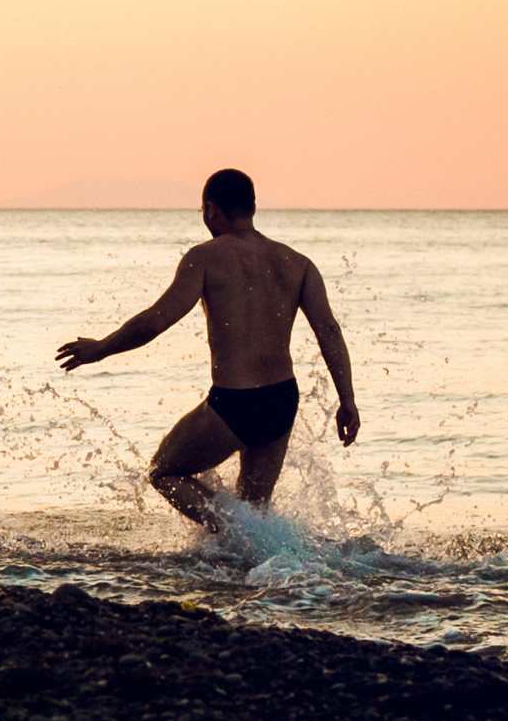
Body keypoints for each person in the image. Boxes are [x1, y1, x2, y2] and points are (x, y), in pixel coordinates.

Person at [54, 168, 360, 528]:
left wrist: (101, 348)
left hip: (236, 403)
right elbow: (329, 330)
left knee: (164, 472)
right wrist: (347, 400)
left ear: (212, 210)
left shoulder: (205, 258)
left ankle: (232, 533)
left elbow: (156, 320)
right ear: (253, 207)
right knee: (256, 512)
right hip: (281, 399)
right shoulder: (298, 264)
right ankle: (250, 565)